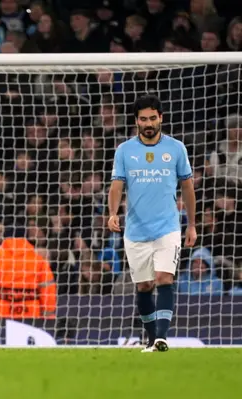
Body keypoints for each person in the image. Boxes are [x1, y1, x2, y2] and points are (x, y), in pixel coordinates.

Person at [108, 94, 197, 353]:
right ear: (136, 121)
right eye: (143, 119)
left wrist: (191, 224)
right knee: (144, 285)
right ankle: (151, 340)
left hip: (167, 227)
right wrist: (112, 213)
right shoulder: (124, 150)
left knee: (164, 278)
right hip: (135, 230)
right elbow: (117, 185)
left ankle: (161, 337)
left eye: (153, 118)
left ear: (161, 118)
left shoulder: (176, 148)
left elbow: (188, 187)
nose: (148, 123)